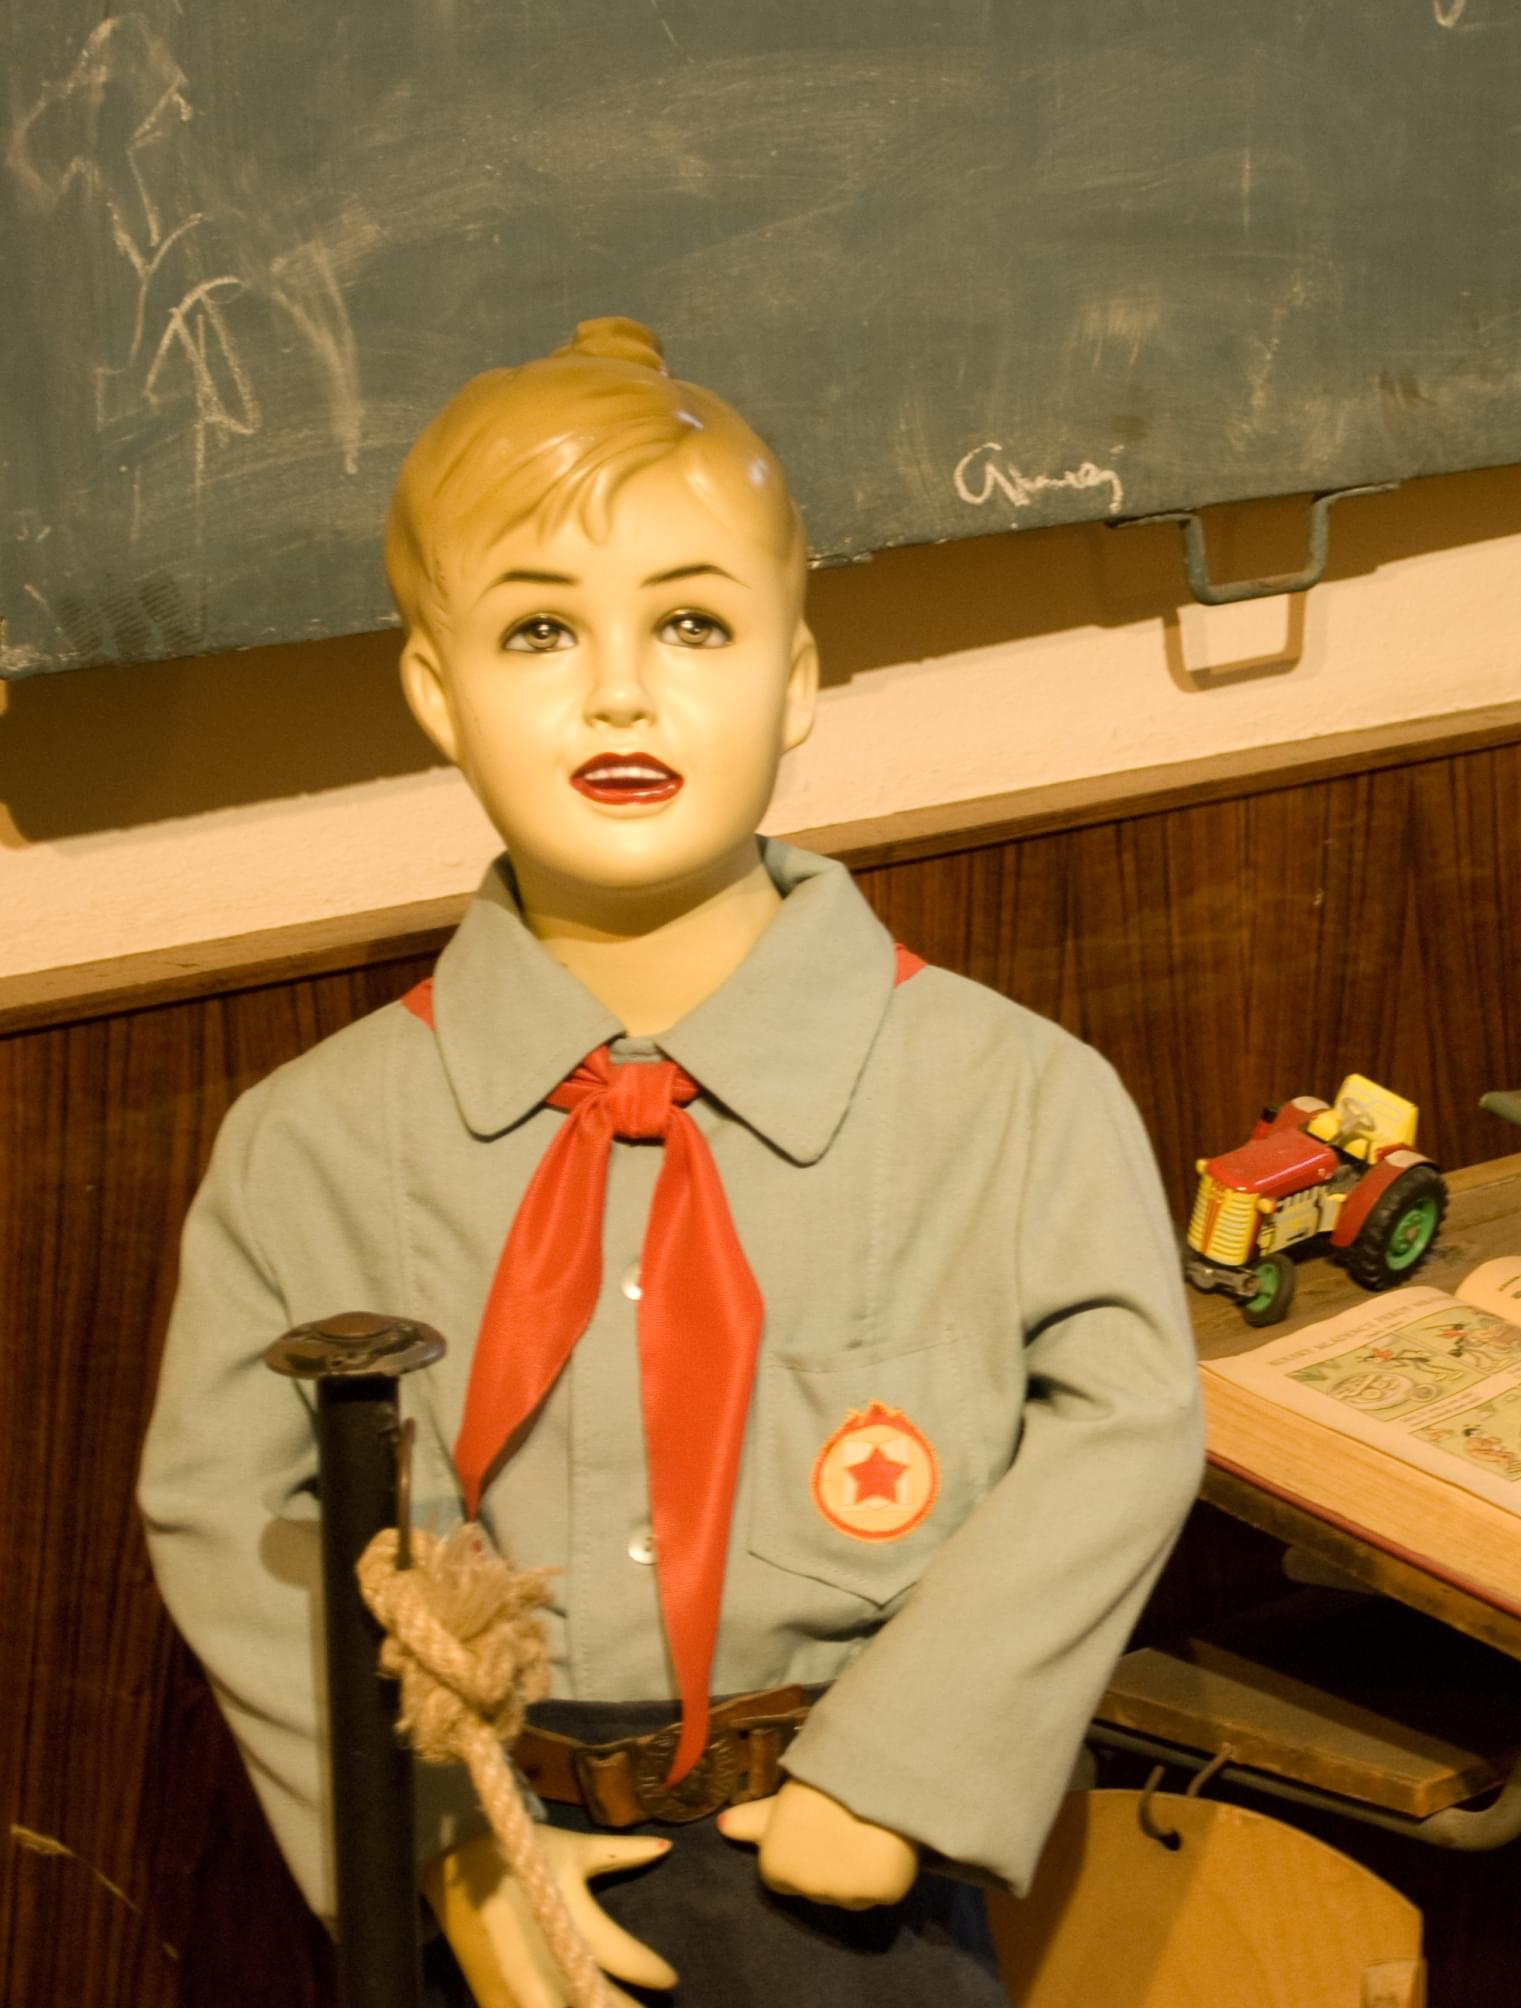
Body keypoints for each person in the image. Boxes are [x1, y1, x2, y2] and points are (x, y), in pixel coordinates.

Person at [138, 320, 1204, 2006]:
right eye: (540, 628)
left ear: (794, 677)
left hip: (845, 1865)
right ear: (434, 688)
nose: (619, 689)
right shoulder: (312, 1146)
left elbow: (1129, 1422)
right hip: (478, 1868)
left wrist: (903, 1770)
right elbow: (222, 1508)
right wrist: (431, 1838)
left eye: (692, 622)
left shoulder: (1014, 1099)